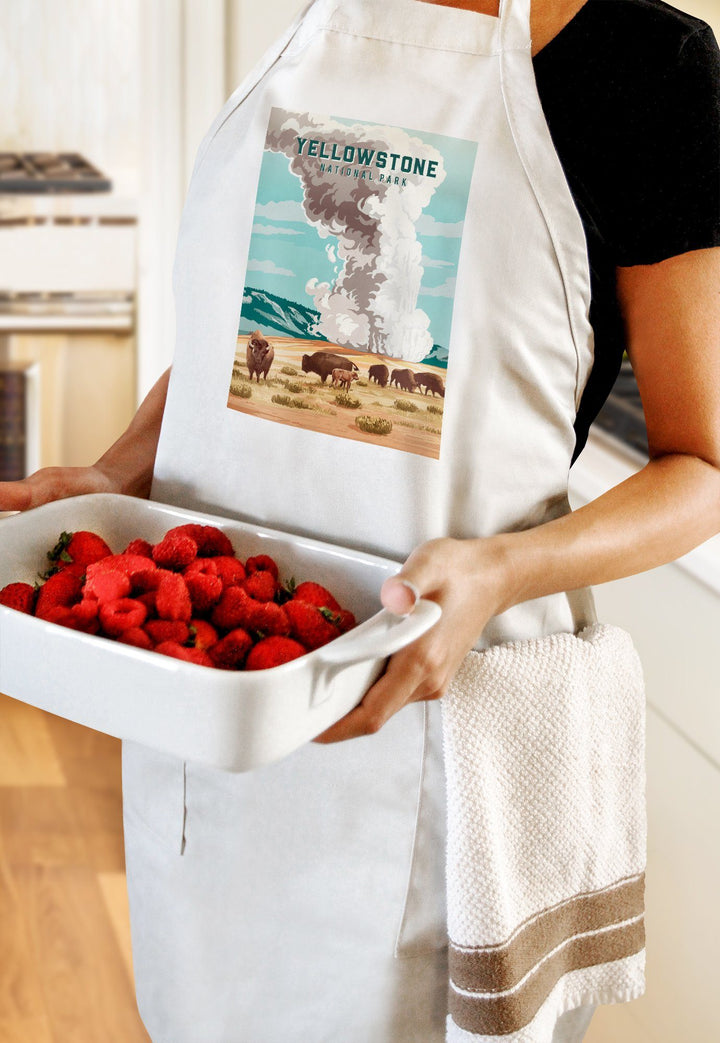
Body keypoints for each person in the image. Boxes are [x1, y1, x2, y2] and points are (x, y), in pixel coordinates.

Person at [2, 0, 719, 1040]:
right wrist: (117, 474)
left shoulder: (647, 68)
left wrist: (499, 570)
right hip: (223, 706)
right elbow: (267, 339)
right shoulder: (321, 26)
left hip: (448, 730)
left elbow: (700, 465)